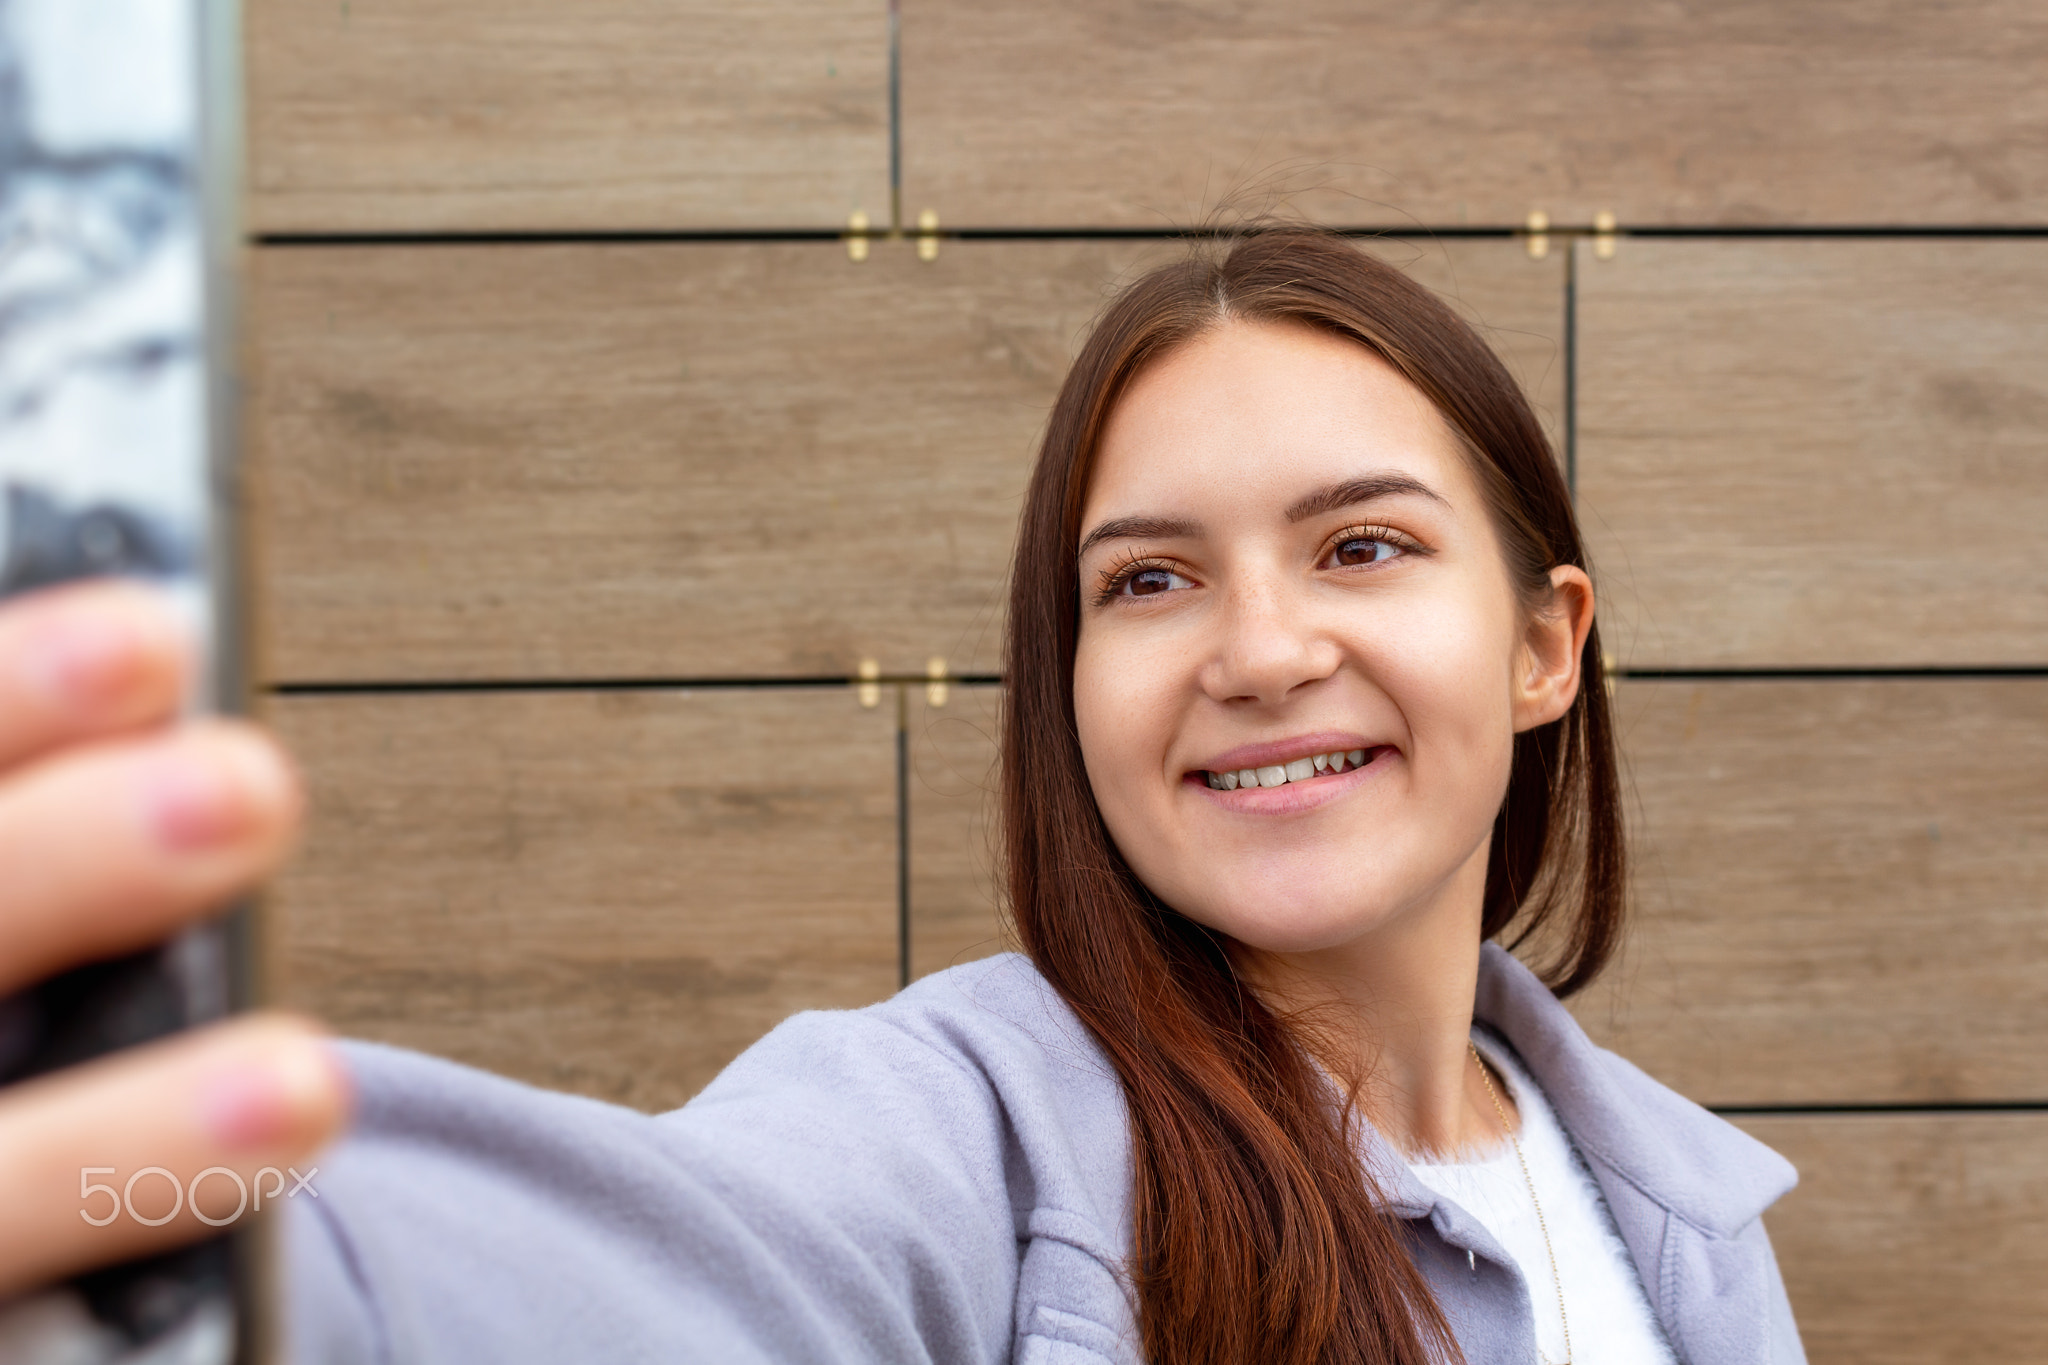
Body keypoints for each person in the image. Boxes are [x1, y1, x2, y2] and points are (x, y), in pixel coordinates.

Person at [0, 230, 1804, 1364]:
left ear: (1544, 645)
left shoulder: (1684, 1217)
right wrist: (146, 1191)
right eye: (1149, 581)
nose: (1257, 650)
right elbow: (526, 1286)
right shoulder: (968, 1132)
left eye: (1363, 544)